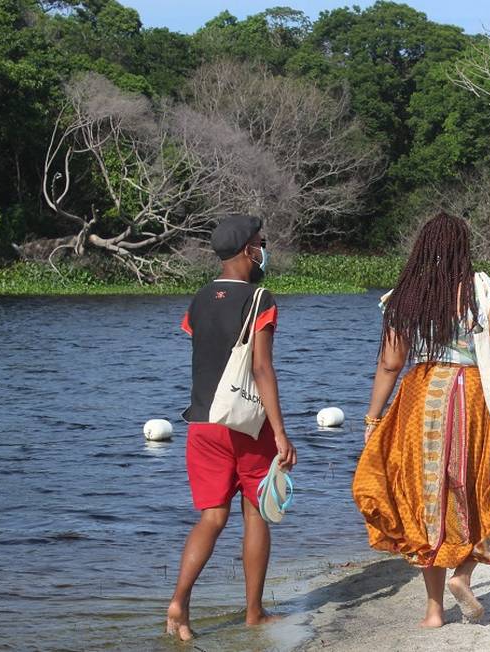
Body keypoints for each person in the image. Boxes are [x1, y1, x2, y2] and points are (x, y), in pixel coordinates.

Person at [352, 212, 490, 627]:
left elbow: (389, 364)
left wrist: (372, 416)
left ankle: (434, 610)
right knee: (483, 488)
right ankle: (464, 574)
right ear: (463, 247)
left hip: (419, 398)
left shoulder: (404, 296)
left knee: (427, 498)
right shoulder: (484, 290)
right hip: (473, 398)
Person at [166, 215, 297, 640]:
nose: (264, 248)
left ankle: (179, 602)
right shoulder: (260, 299)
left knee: (211, 517)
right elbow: (261, 367)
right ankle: (254, 614)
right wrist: (279, 431)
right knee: (256, 511)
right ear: (247, 251)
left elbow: (204, 353)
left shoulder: (199, 299)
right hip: (245, 426)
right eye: (261, 241)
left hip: (201, 422)